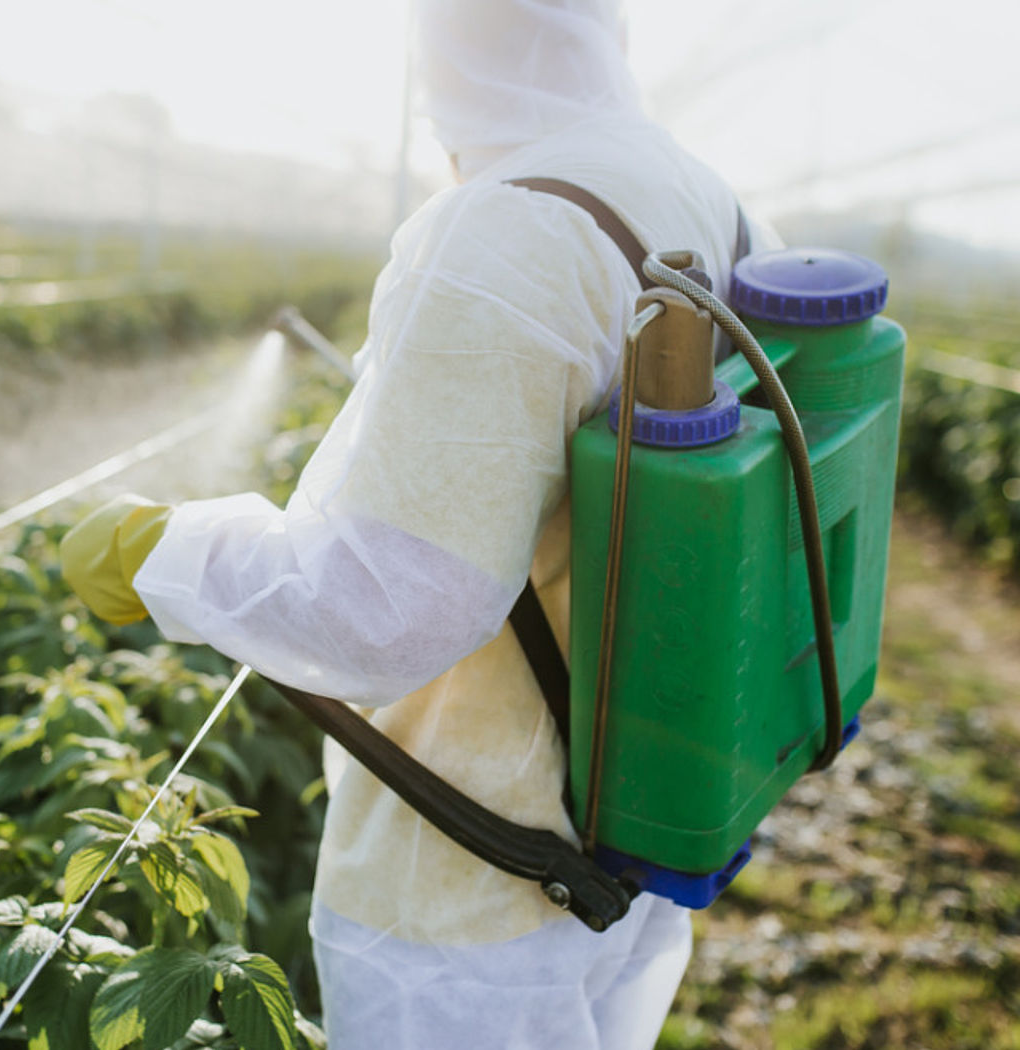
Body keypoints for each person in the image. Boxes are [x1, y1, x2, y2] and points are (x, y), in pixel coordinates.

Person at [61, 1, 770, 1046]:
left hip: (473, 891)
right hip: (635, 817)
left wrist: (165, 552)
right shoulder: (700, 193)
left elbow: (392, 605)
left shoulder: (513, 229)